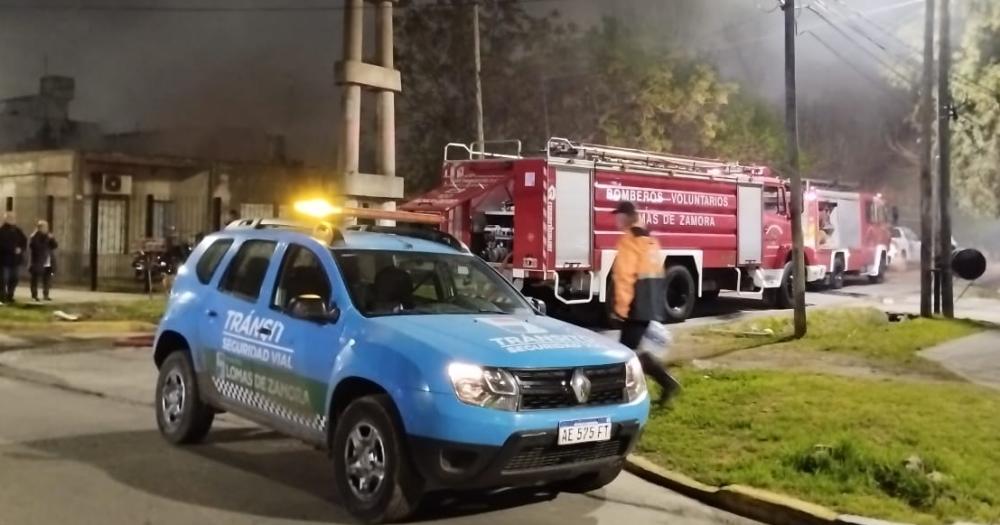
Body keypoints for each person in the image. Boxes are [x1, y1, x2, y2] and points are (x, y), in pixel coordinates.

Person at [610, 201, 681, 402]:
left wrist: (621, 310)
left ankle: (628, 396)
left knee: (626, 355)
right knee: (634, 352)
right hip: (649, 304)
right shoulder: (650, 241)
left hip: (634, 306)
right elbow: (657, 274)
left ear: (626, 217)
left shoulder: (629, 241)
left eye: (618, 215)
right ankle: (665, 383)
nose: (616, 219)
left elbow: (625, 278)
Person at [0, 212, 28, 304]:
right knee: (4, 280)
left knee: (14, 279)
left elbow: (24, 240)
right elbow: (2, 244)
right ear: (6, 219)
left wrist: (21, 249)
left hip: (16, 260)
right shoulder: (2, 231)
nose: (13, 219)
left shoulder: (17, 230)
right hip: (4, 260)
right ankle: (2, 297)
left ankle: (10, 296)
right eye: (10, 218)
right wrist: (12, 249)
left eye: (13, 218)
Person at [28, 220, 57, 302]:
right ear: (40, 228)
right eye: (45, 227)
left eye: (47, 227)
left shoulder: (48, 236)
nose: (46, 229)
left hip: (48, 260)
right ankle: (34, 295)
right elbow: (37, 247)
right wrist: (47, 239)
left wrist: (52, 239)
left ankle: (46, 294)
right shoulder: (35, 236)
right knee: (35, 279)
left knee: (47, 278)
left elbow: (55, 246)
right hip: (38, 261)